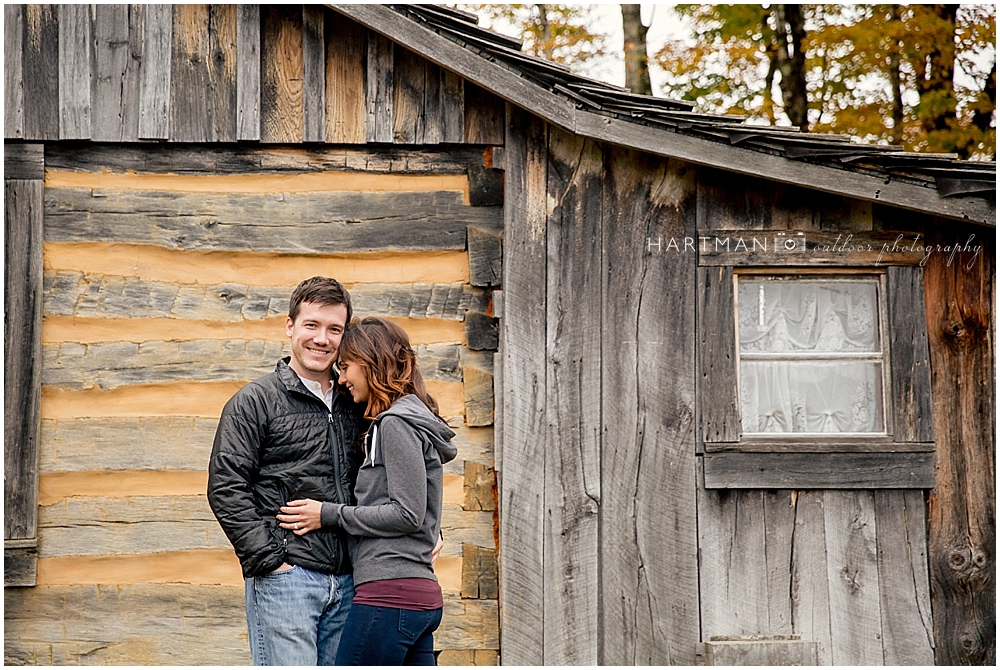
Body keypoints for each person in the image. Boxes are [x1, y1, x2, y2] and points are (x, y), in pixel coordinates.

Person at [276, 317, 457, 666]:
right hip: (414, 595)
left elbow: (407, 512)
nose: (341, 379)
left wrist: (326, 514)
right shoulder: (402, 421)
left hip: (389, 595)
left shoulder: (396, 424)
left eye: (345, 367)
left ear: (372, 362)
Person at [207, 276, 364, 666]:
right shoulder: (255, 402)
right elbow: (226, 487)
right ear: (290, 326)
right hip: (287, 581)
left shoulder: (357, 401)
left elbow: (391, 474)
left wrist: (429, 528)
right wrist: (272, 562)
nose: (322, 339)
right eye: (312, 325)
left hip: (351, 581)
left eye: (334, 329)